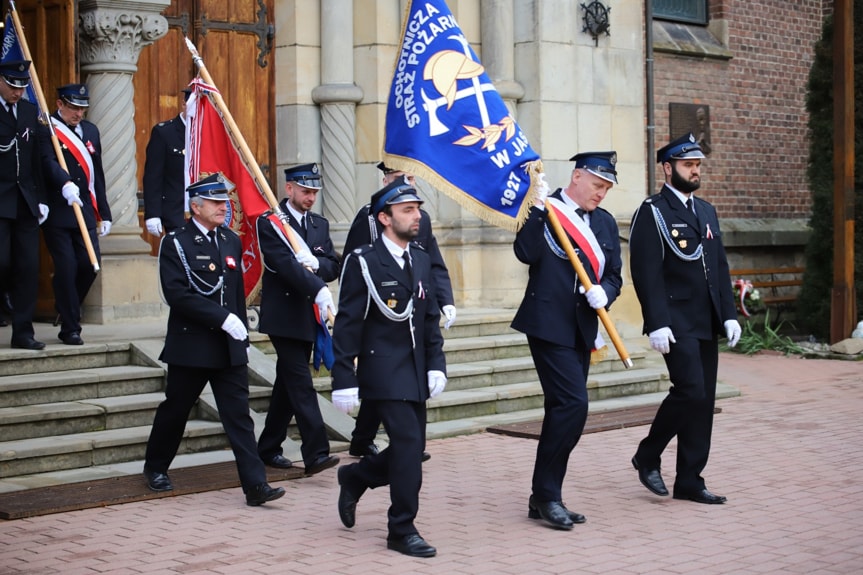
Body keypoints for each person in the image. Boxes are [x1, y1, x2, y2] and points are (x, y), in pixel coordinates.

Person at [142, 173, 285, 507]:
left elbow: (233, 294)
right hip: (192, 344)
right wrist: (223, 319)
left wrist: (241, 333)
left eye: (224, 201)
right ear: (196, 206)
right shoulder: (175, 242)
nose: (224, 207)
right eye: (216, 202)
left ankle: (255, 485)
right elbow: (177, 294)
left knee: (239, 417)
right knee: (176, 410)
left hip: (227, 346)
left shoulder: (229, 241)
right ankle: (156, 467)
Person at [331, 179, 447, 558]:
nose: (417, 216)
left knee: (412, 449)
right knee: (410, 446)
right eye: (407, 210)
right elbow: (348, 322)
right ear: (384, 218)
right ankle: (401, 528)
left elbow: (428, 319)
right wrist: (343, 376)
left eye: (418, 209)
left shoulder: (420, 258)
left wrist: (436, 364)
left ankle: (356, 477)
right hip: (381, 368)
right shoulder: (363, 261)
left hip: (414, 369)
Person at [511, 151, 623, 530]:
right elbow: (525, 253)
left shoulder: (605, 224)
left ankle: (543, 495)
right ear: (577, 176)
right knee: (572, 405)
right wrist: (539, 209)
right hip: (547, 323)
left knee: (565, 411)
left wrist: (605, 293)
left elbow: (616, 276)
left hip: (582, 326)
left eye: (607, 188)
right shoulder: (545, 210)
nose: (601, 194)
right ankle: (546, 496)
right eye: (597, 185)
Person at [628, 133, 741, 505]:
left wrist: (728, 314)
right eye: (688, 165)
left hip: (705, 318)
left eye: (697, 165)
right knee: (689, 390)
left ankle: (690, 479)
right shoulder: (653, 211)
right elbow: (647, 272)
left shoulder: (705, 210)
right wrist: (656, 321)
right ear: (667, 167)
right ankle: (648, 454)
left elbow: (719, 268)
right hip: (674, 320)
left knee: (703, 400)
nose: (695, 171)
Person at [343, 161, 455, 459]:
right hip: (377, 314)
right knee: (381, 380)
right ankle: (377, 443)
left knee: (389, 387)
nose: (406, 181)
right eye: (398, 177)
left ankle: (370, 441)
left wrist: (445, 299)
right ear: (384, 180)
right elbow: (352, 266)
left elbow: (431, 262)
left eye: (410, 176)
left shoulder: (422, 220)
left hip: (412, 315)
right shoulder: (368, 220)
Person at [255, 163, 340, 475]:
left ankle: (267, 446)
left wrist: (316, 263)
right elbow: (282, 265)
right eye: (305, 191)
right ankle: (316, 452)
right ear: (289, 188)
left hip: (309, 316)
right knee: (301, 383)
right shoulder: (271, 222)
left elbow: (334, 264)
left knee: (287, 385)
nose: (310, 197)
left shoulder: (319, 224)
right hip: (284, 316)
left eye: (314, 192)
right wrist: (317, 287)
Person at [42, 83, 112, 346]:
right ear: (60, 104)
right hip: (58, 210)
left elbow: (98, 175)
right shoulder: (48, 127)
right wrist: (63, 182)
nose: (79, 113)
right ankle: (71, 328)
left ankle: (66, 304)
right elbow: (46, 161)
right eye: (73, 107)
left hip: (83, 210)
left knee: (89, 266)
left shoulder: (90, 130)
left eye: (83, 108)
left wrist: (104, 213)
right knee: (67, 266)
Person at [0, 60, 58, 350]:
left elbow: (36, 159)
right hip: (0, 200)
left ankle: (23, 332)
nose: (17, 92)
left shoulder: (27, 110)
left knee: (27, 266)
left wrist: (43, 199)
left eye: (22, 87)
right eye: (12, 85)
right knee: (2, 261)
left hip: (25, 200)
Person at [143, 89, 190, 237]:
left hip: (205, 211)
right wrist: (152, 213)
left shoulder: (208, 133)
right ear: (184, 104)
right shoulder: (164, 133)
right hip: (176, 210)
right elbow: (153, 176)